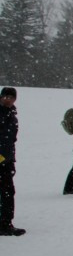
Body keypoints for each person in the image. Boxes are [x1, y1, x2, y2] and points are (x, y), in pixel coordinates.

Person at [0, 87, 24, 236]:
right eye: (5, 96)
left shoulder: (11, 113)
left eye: (11, 97)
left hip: (6, 159)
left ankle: (5, 222)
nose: (8, 99)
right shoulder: (4, 113)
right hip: (2, 159)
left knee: (8, 191)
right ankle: (4, 224)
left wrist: (10, 160)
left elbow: (10, 141)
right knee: (7, 191)